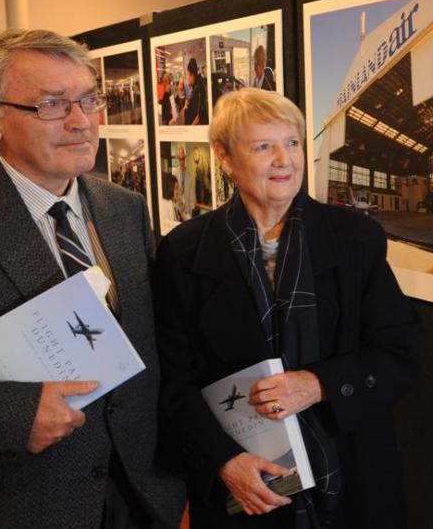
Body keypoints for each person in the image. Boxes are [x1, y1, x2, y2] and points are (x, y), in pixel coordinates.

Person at [0, 29, 185, 529]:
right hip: (12, 503)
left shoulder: (124, 209)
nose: (81, 122)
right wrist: (13, 412)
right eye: (51, 104)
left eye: (87, 100)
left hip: (138, 494)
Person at [154, 88, 421, 529]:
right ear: (224, 156)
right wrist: (224, 461)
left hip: (350, 473)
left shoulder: (355, 238)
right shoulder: (184, 252)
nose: (285, 160)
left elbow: (401, 352)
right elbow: (172, 380)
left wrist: (319, 384)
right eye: (264, 146)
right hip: (247, 483)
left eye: (292, 142)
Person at [184, 58, 208, 125]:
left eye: (187, 75)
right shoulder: (199, 85)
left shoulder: (197, 89)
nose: (187, 79)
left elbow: (197, 117)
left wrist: (186, 108)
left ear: (191, 74)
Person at [176, 145, 196, 219]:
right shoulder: (175, 174)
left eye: (183, 158)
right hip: (178, 212)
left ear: (185, 158)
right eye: (180, 159)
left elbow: (192, 195)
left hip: (188, 212)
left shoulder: (190, 174)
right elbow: (174, 196)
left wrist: (190, 213)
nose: (182, 161)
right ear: (177, 158)